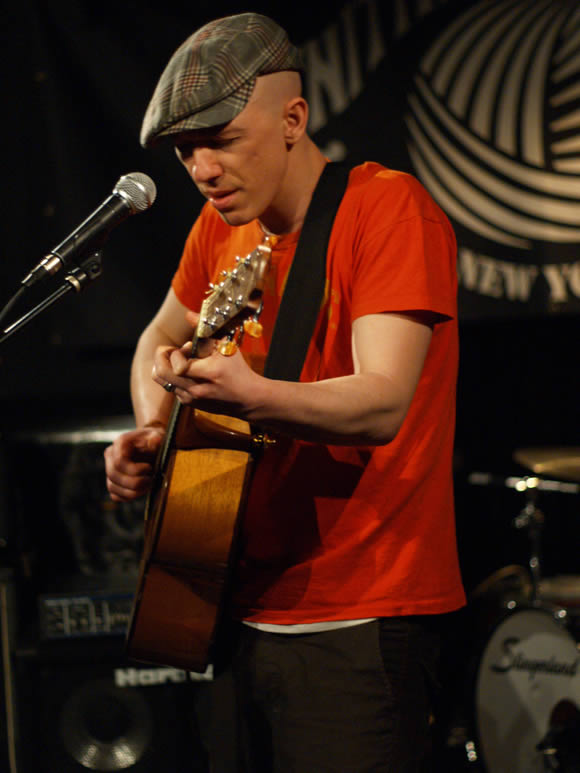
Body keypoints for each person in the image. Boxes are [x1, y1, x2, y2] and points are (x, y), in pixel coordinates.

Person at [104, 12, 466, 772]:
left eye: (221, 141)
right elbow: (152, 343)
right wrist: (149, 430)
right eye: (184, 151)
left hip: (361, 616)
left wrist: (252, 395)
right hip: (231, 607)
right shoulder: (218, 227)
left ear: (293, 119)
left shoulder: (387, 209)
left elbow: (382, 401)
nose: (202, 169)